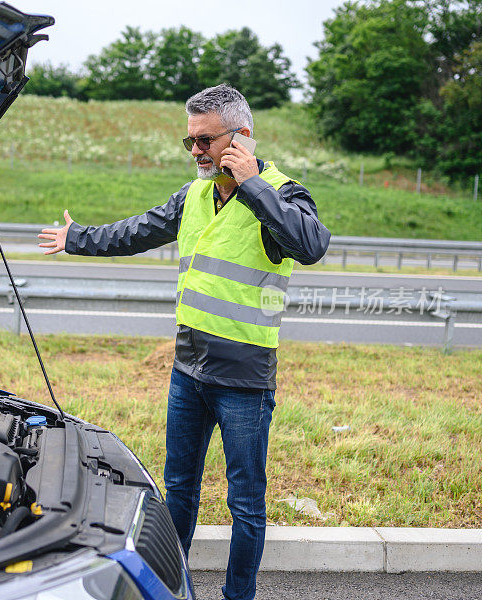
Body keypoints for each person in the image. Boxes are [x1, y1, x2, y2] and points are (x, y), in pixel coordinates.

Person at [37, 84, 330, 600]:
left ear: (240, 137)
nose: (195, 151)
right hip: (188, 374)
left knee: (245, 505)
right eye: (189, 141)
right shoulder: (194, 194)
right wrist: (76, 238)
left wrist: (252, 183)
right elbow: (136, 232)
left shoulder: (282, 192)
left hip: (244, 381)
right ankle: (171, 589)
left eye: (204, 140)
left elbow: (311, 245)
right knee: (179, 495)